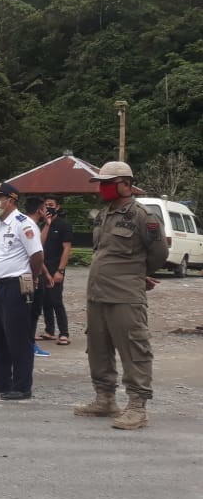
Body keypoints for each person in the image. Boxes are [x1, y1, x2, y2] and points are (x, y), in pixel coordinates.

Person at [76, 161, 168, 430]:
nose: (102, 189)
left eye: (108, 183)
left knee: (134, 349)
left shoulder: (142, 216)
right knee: (98, 347)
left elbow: (159, 253)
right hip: (97, 294)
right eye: (100, 184)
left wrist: (137, 274)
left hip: (126, 295)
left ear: (126, 184)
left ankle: (137, 408)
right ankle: (104, 399)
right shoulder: (103, 215)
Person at [0, 182, 45, 401]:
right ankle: (1, 380)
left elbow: (36, 256)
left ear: (12, 200)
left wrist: (33, 278)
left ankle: (22, 385)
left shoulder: (23, 224)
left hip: (15, 285)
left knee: (17, 337)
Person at [38, 195, 73, 345]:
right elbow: (39, 244)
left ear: (57, 207)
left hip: (55, 267)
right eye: (46, 205)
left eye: (51, 205)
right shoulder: (43, 225)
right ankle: (49, 331)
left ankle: (64, 333)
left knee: (56, 300)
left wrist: (61, 270)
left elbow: (67, 249)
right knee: (44, 300)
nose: (49, 208)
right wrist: (47, 224)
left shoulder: (64, 225)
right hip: (42, 267)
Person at [23, 196, 52, 359]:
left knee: (29, 311)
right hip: (29, 276)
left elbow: (37, 253)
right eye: (44, 208)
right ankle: (28, 344)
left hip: (31, 274)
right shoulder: (28, 225)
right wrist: (37, 276)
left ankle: (27, 343)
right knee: (31, 311)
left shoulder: (23, 223)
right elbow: (37, 251)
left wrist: (46, 273)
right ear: (40, 210)